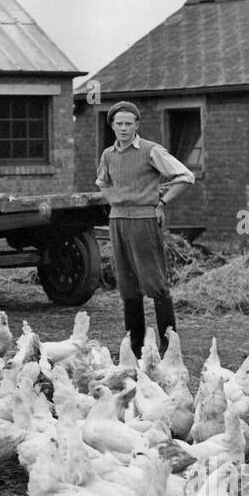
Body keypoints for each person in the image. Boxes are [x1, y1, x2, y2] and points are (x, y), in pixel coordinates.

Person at [95, 101, 195, 361]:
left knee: (155, 283)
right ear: (113, 127)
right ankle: (136, 347)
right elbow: (102, 182)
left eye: (129, 123)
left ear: (137, 125)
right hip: (118, 221)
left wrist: (162, 202)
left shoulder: (151, 150)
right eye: (119, 124)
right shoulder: (108, 155)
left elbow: (185, 176)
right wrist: (115, 199)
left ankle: (168, 346)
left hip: (144, 221)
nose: (124, 128)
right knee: (127, 285)